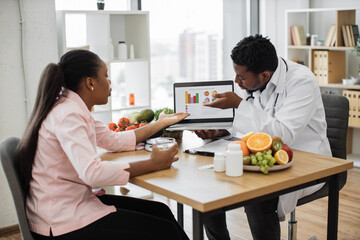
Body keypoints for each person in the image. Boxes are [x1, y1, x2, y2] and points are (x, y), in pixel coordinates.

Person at [16, 49, 190, 240]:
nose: (110, 83)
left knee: (161, 211)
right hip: (61, 223)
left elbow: (115, 140)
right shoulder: (68, 115)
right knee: (166, 231)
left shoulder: (73, 108)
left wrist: (161, 122)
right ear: (90, 83)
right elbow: (92, 173)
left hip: (70, 207)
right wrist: (153, 163)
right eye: (106, 76)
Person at [196, 34, 332, 240]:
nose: (236, 82)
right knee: (208, 188)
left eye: (241, 78)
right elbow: (251, 125)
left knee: (258, 199)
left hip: (307, 161)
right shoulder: (253, 82)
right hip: (264, 159)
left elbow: (282, 136)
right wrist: (222, 131)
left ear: (265, 76)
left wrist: (238, 105)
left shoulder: (302, 82)